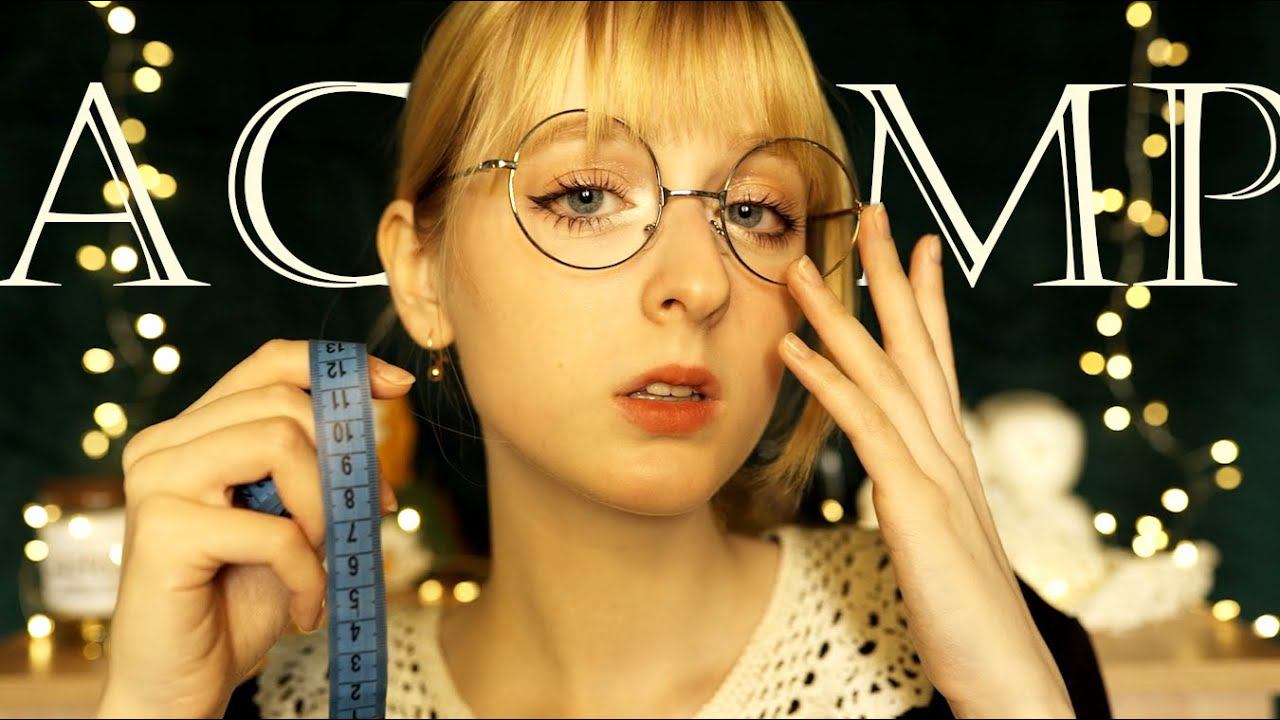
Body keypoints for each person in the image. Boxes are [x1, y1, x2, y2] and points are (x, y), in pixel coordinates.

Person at [97, 2, 1112, 718]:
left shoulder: (987, 655)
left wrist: (1011, 698)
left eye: (753, 210)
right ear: (422, 273)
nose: (699, 283)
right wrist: (150, 708)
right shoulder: (267, 697)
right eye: (585, 196)